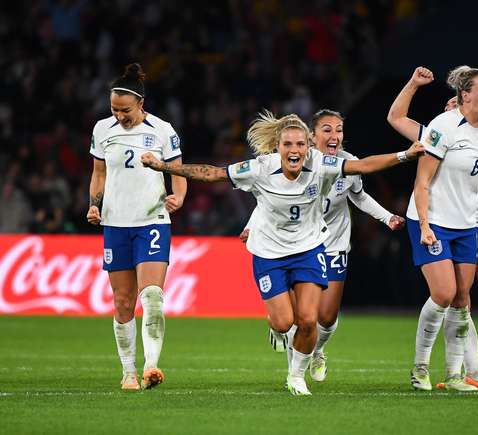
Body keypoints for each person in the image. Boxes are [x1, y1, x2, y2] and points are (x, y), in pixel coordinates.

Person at [141, 111, 423, 395]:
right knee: (284, 322)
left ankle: (296, 376)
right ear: (278, 147)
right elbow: (213, 173)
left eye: (300, 145)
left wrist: (405, 155)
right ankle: (276, 330)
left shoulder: (322, 164)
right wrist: (163, 167)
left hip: (309, 249)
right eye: (288, 145)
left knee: (309, 319)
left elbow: (363, 166)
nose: (295, 150)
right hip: (269, 253)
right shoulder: (259, 168)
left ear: (308, 146)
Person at [247, 109, 405, 381]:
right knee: (300, 318)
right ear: (312, 136)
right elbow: (273, 202)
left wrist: (386, 216)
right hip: (299, 245)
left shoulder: (348, 164)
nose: (335, 135)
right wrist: (250, 226)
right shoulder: (297, 161)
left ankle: (317, 351)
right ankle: (293, 371)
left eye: (339, 129)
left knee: (327, 317)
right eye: (327, 129)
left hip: (333, 243)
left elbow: (360, 196)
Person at [387, 67, 478, 390]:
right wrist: (426, 225)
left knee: (460, 300)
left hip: (465, 223)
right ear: (465, 95)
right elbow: (422, 180)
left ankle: (457, 375)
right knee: (443, 293)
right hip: (432, 220)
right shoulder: (443, 126)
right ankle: (419, 368)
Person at [87, 63, 187, 390]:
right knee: (123, 302)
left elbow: (177, 169)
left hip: (152, 220)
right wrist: (94, 204)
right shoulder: (102, 130)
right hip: (116, 222)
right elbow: (99, 174)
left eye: (125, 110)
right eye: (114, 109)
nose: (119, 116)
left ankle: (152, 366)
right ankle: (129, 371)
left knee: (153, 296)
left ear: (140, 104)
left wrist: (179, 196)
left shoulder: (162, 130)